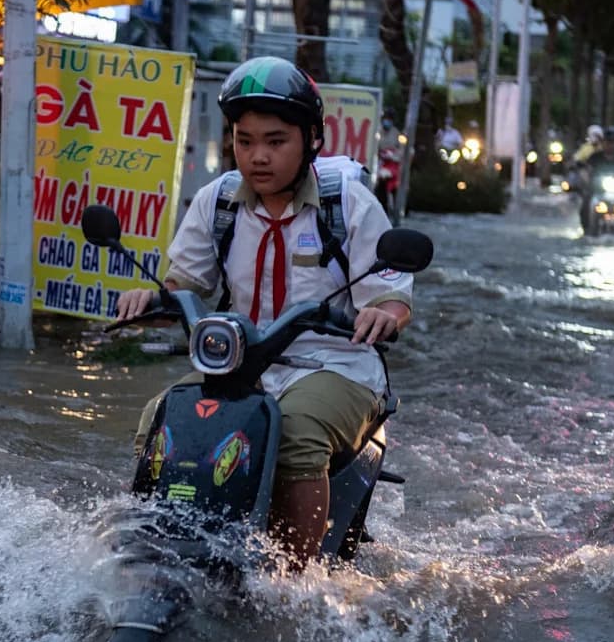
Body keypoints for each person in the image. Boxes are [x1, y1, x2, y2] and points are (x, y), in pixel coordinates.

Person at [114, 56, 413, 569]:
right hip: (241, 363)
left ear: (311, 139)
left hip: (337, 363)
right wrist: (151, 299)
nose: (258, 156)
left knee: (295, 432)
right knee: (160, 417)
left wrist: (383, 314)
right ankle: (143, 557)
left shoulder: (349, 204)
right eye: (245, 140)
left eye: (275, 141)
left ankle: (291, 583)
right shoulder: (217, 202)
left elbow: (391, 297)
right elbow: (184, 285)